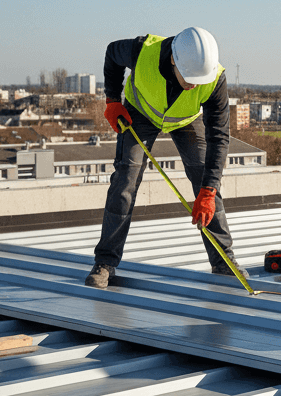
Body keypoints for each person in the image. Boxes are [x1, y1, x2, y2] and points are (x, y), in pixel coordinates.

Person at [84, 27, 239, 289]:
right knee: (125, 180)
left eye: (199, 80)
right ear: (173, 60)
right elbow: (112, 53)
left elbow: (219, 136)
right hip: (141, 112)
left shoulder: (214, 79)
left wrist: (209, 190)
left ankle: (224, 262)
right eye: (189, 78)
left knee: (206, 180)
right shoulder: (142, 51)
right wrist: (112, 100)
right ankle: (105, 262)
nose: (194, 85)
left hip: (185, 119)